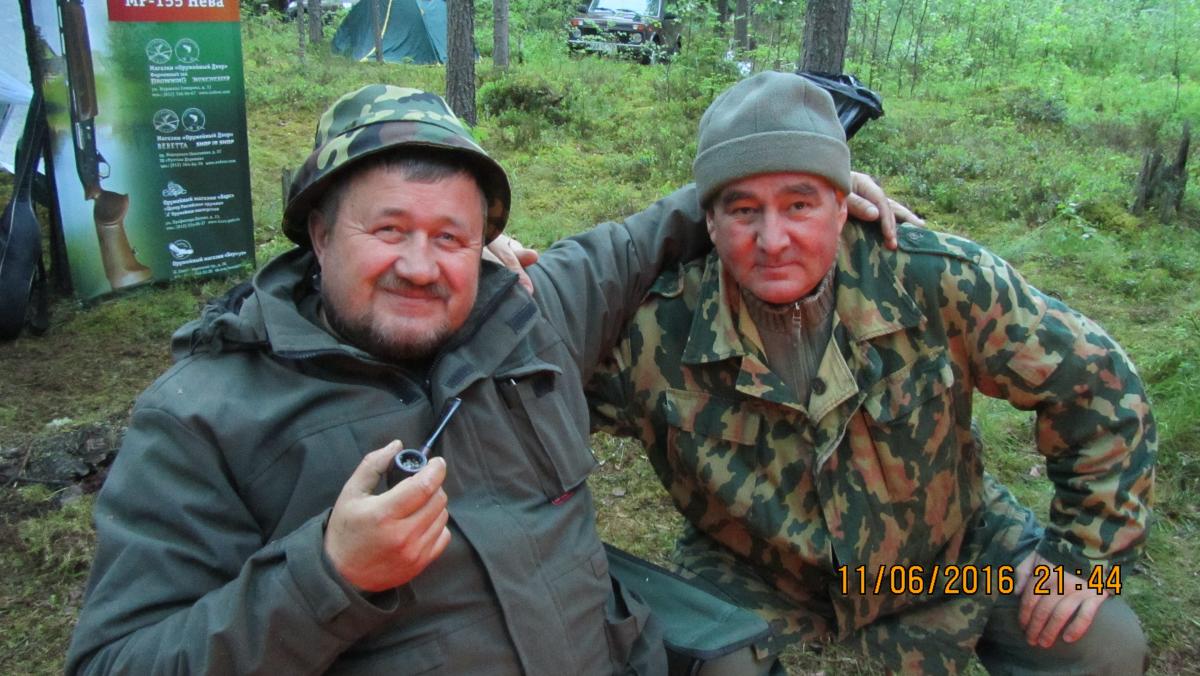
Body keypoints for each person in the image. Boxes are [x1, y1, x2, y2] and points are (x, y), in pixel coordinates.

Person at [64, 83, 905, 674]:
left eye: (450, 238)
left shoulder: (529, 318)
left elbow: (640, 238)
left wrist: (798, 180)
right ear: (318, 234)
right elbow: (116, 661)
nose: (420, 266)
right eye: (388, 230)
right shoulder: (206, 418)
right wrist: (328, 575)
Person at [586, 72, 1155, 675]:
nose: (773, 240)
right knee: (711, 668)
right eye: (744, 210)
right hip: (758, 573)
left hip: (946, 562)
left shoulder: (932, 279)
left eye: (800, 205)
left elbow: (1098, 385)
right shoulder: (658, 329)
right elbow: (532, 399)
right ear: (709, 220)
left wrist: (1082, 558)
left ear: (843, 205)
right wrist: (515, 276)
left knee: (1105, 645)